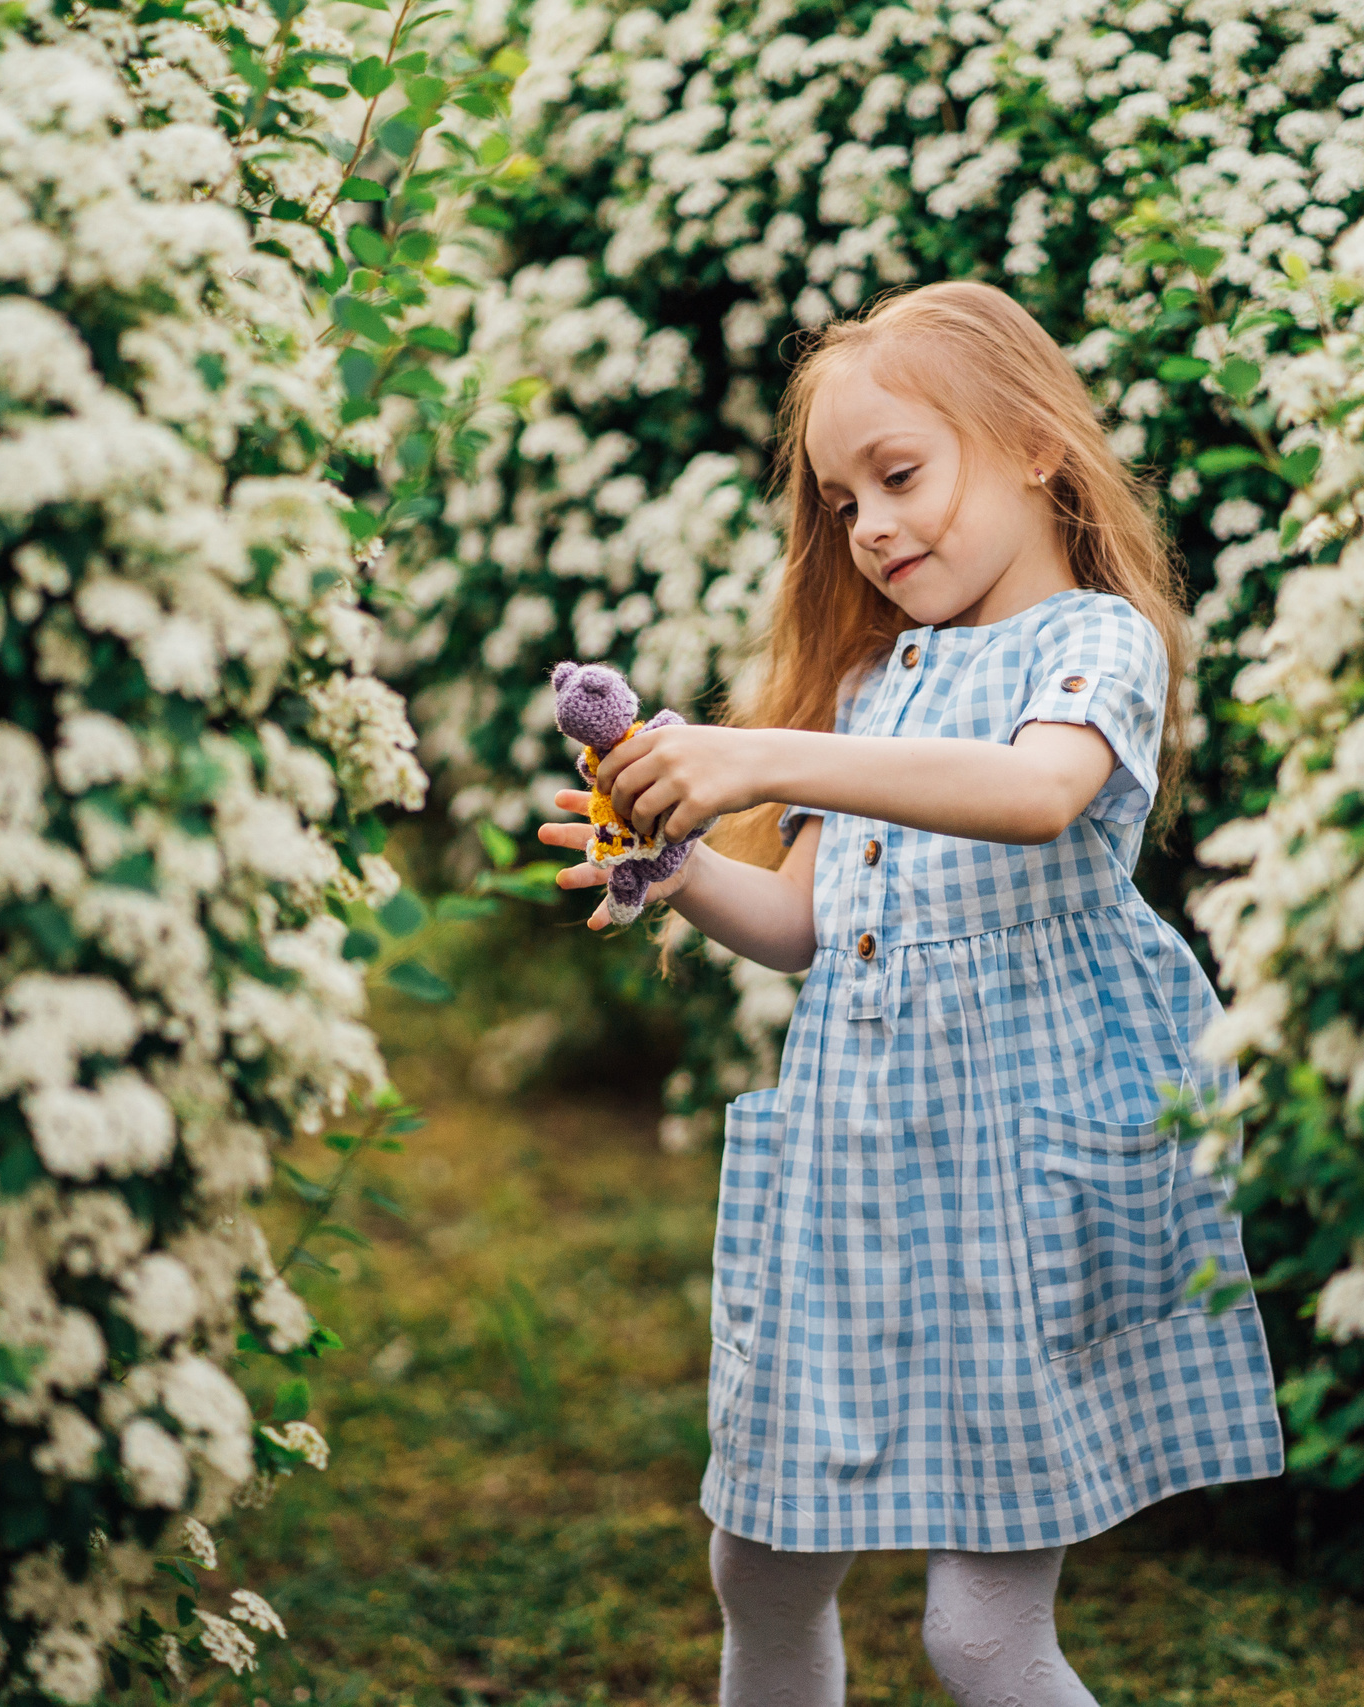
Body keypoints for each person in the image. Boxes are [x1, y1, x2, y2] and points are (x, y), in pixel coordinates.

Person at [535, 281, 1285, 1706]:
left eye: (900, 477)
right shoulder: (879, 685)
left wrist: (764, 758)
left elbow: (1035, 791)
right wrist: (680, 869)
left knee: (980, 1635)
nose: (870, 528)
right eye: (840, 504)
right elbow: (805, 924)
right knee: (756, 1568)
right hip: (861, 1172)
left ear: (1033, 448)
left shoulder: (1093, 643)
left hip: (1013, 1174)